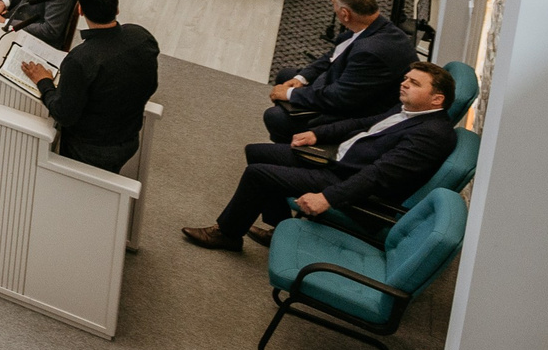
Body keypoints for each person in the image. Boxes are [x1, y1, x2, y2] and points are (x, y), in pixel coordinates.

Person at [184, 64, 460, 253]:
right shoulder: (410, 109)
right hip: (340, 158)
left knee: (258, 174)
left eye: (414, 83)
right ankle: (280, 228)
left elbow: (378, 175)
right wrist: (316, 134)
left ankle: (228, 235)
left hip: (348, 182)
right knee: (256, 151)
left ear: (437, 99)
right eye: (406, 78)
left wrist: (327, 198)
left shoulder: (431, 135)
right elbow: (363, 122)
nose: (404, 84)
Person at [18, 0, 159, 173]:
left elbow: (64, 114)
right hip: (130, 137)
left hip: (89, 150)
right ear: (116, 9)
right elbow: (150, 85)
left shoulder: (81, 59)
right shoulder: (142, 36)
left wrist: (44, 82)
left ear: (80, 10)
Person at [265, 0, 411, 138]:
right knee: (287, 75)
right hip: (348, 83)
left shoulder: (370, 52)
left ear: (345, 14)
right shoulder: (376, 26)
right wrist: (303, 77)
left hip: (359, 111)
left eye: (333, 4)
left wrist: (291, 94)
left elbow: (339, 97)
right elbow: (334, 54)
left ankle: (292, 147)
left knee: (275, 116)